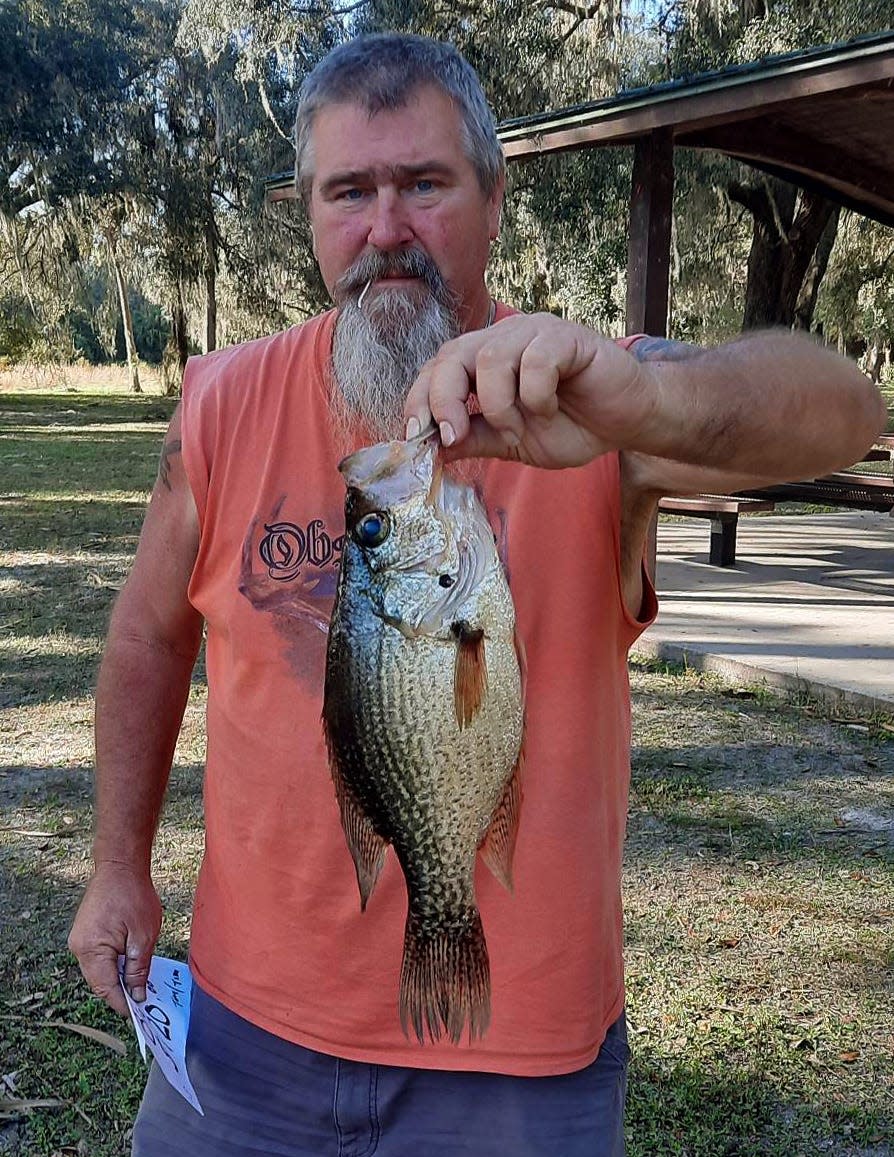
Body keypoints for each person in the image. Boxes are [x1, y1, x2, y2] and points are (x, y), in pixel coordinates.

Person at [68, 32, 884, 1157]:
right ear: (306, 212)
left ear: (494, 200)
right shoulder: (221, 403)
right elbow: (150, 639)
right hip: (246, 1034)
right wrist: (116, 867)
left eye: (424, 184)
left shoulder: (585, 398)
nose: (385, 228)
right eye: (347, 190)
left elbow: (843, 409)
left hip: (517, 1060)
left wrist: (641, 401)